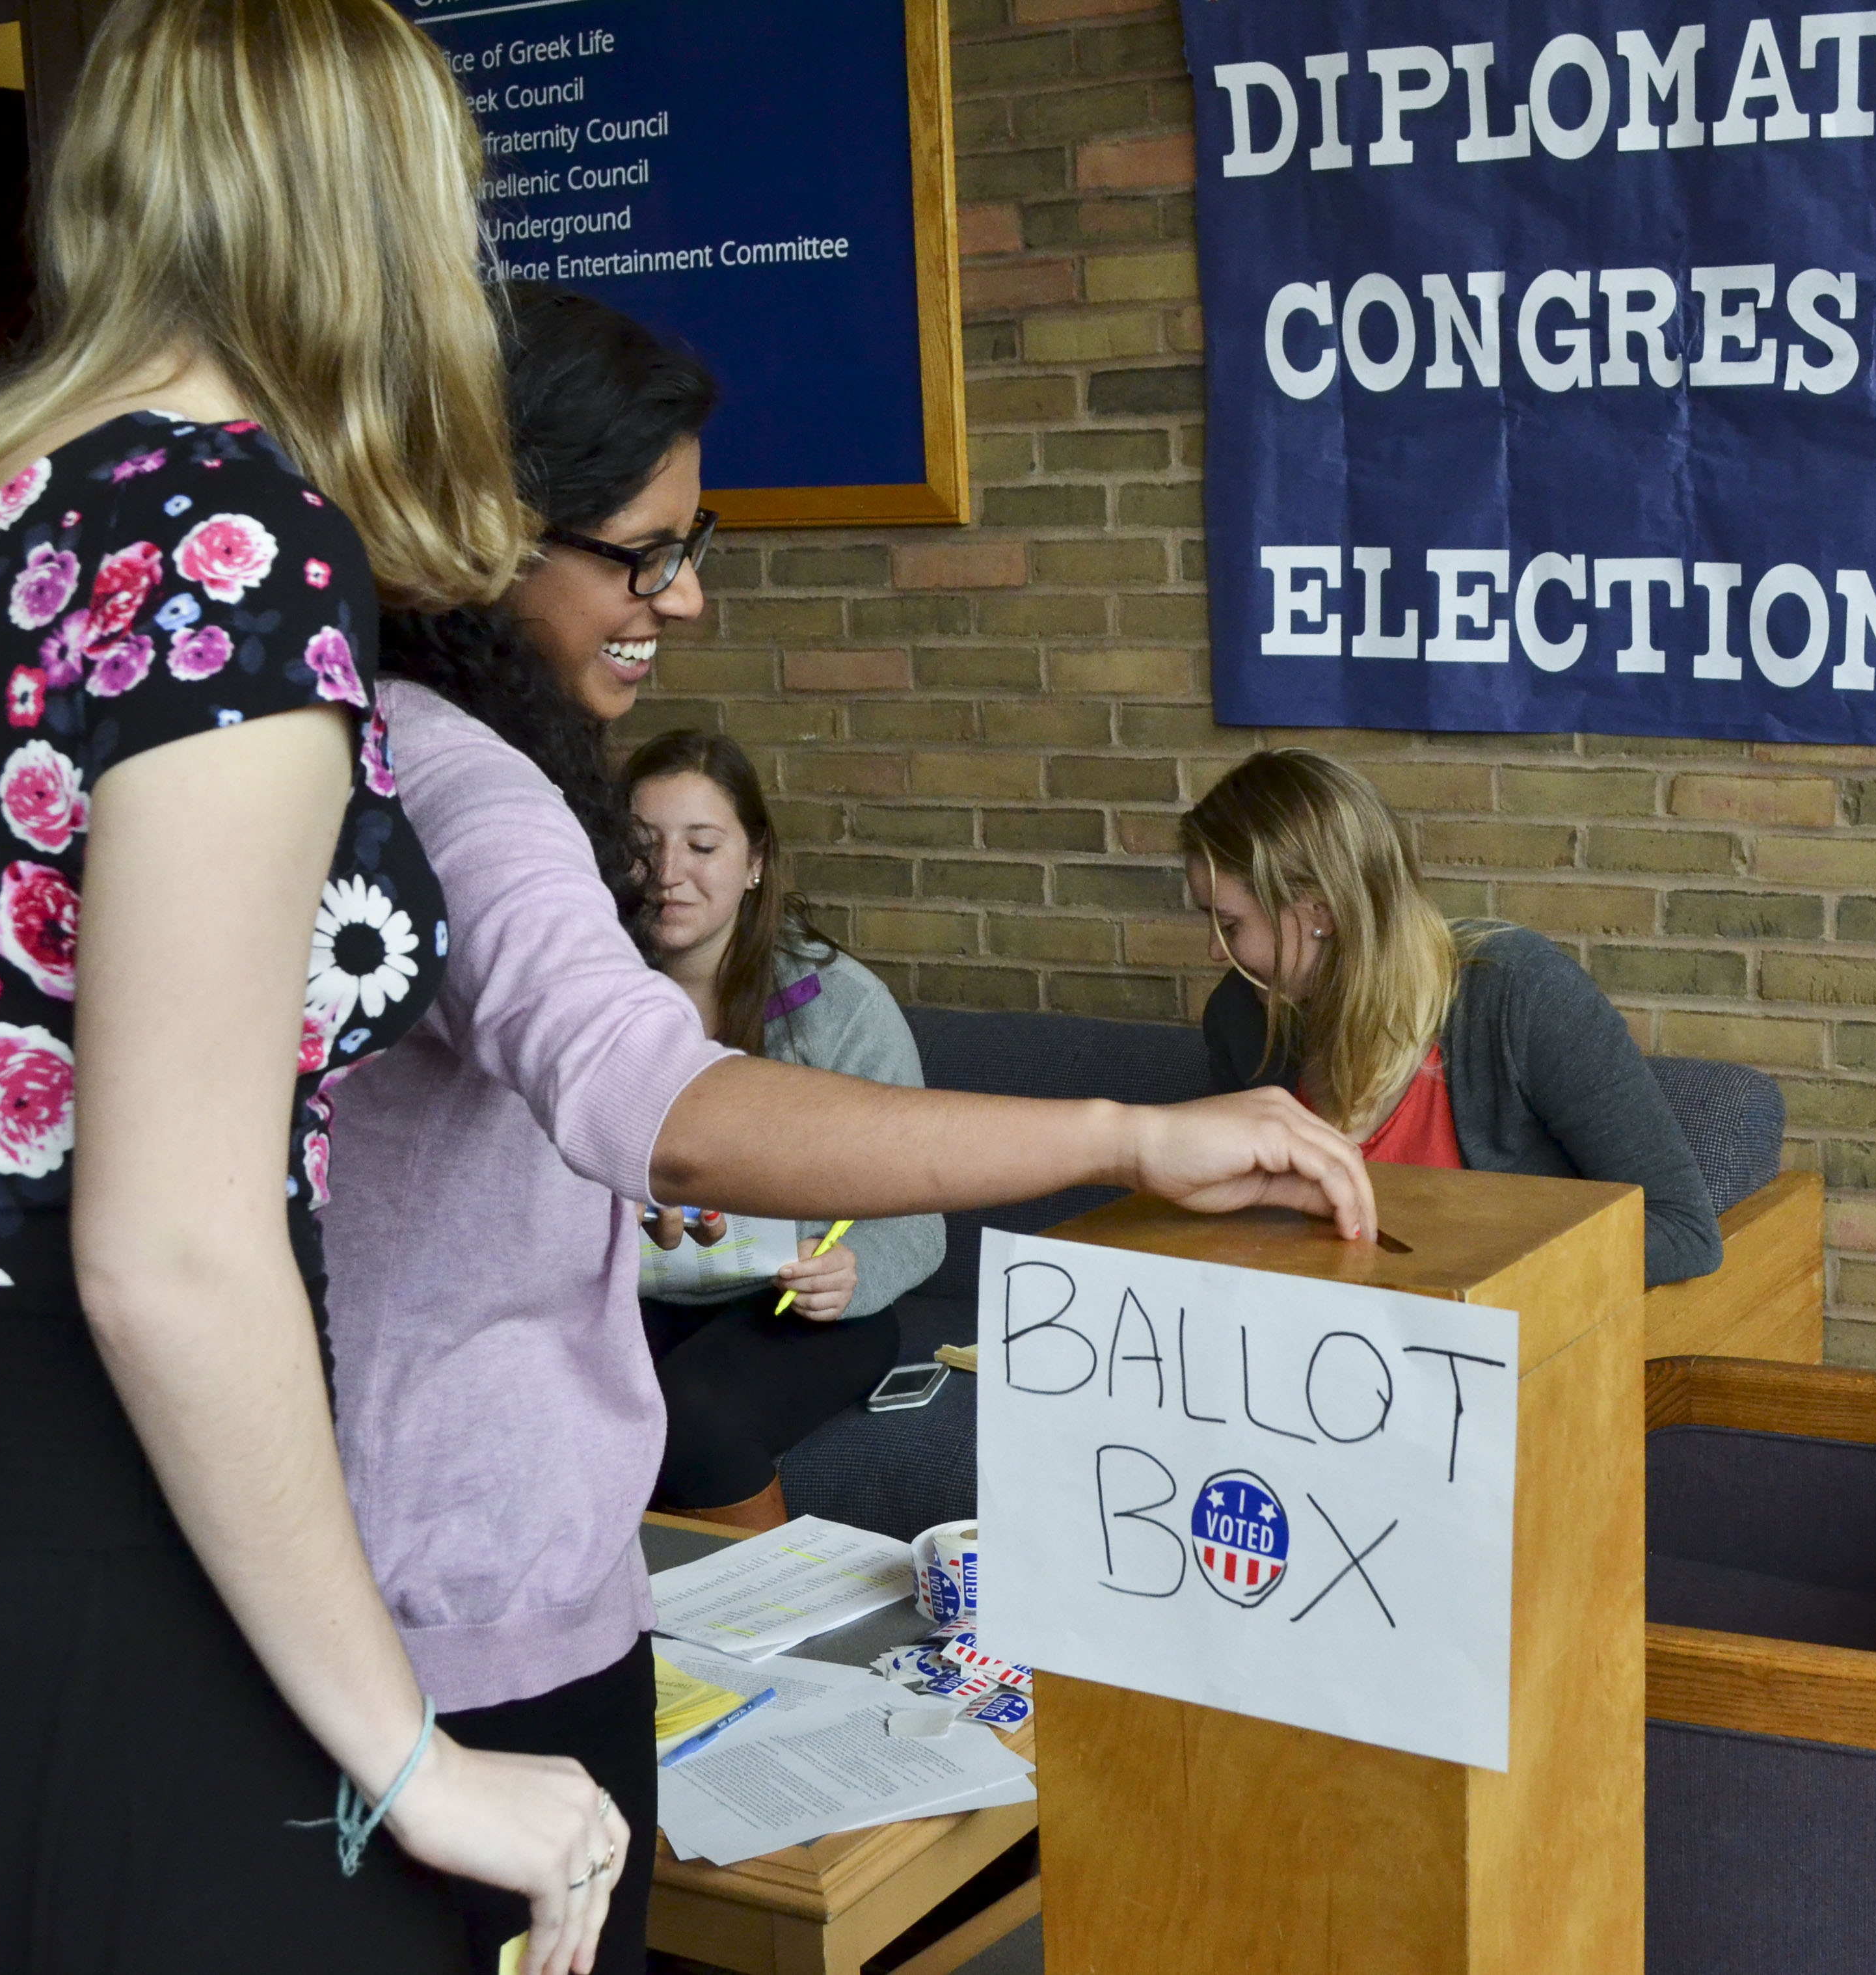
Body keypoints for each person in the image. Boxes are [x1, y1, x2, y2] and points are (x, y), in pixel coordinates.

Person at [0, 7, 626, 1972]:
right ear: (377, 222)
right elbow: (170, 1248)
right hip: (77, 1563)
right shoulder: (213, 546)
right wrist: (418, 1762)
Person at [328, 294, 1376, 1975]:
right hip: (460, 1610)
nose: (686, 596)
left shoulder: (329, 740)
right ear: (478, 535)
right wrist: (1122, 1130)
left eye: (696, 543)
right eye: (644, 554)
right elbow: (659, 1113)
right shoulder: (465, 790)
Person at [1187, 747, 1722, 1287]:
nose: (1214, 952)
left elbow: (1683, 1232)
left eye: (1229, 926)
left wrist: (1469, 1291)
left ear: (1319, 911)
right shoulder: (1240, 1019)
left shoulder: (1521, 994)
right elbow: (1244, 1232)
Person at [627, 729, 944, 1524]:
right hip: (623, 1292)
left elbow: (918, 1213)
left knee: (691, 1415)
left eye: (702, 846)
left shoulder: (839, 1004)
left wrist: (851, 1268)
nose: (669, 875)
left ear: (755, 860)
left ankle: (746, 1633)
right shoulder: (575, 990)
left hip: (792, 1306)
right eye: (641, 847)